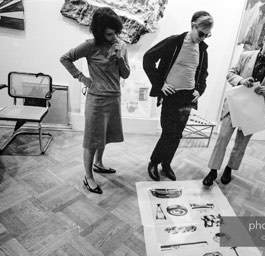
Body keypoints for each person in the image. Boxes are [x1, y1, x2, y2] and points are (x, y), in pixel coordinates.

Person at [203, 26, 265, 186]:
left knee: (241, 144)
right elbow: (230, 74)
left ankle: (229, 168)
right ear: (264, 40)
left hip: (254, 111)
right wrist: (241, 81)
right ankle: (213, 170)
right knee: (222, 139)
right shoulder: (245, 56)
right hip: (234, 106)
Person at [60, 7, 130, 194]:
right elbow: (65, 58)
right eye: (109, 33)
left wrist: (120, 59)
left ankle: (98, 164)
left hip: (114, 98)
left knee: (105, 135)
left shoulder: (121, 45)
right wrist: (82, 78)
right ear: (99, 31)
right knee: (92, 140)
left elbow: (126, 74)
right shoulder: (90, 45)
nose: (113, 36)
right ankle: (88, 176)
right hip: (97, 100)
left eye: (116, 32)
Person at [143, 11, 214, 181]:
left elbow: (203, 74)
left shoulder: (202, 50)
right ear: (193, 26)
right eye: (201, 33)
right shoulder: (174, 42)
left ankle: (166, 164)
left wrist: (200, 90)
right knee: (168, 131)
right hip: (171, 95)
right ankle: (154, 162)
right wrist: (160, 85)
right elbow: (148, 58)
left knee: (178, 133)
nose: (203, 38)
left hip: (187, 97)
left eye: (207, 35)